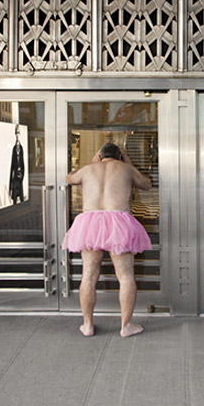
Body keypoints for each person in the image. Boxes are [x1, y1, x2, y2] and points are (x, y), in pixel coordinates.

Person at [62, 142, 152, 338]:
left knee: (88, 275)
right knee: (126, 276)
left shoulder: (88, 169)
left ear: (100, 155)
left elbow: (69, 179)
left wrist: (92, 162)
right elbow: (147, 184)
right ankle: (126, 325)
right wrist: (128, 163)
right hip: (118, 221)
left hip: (90, 222)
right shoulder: (126, 168)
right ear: (120, 156)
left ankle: (87, 325)